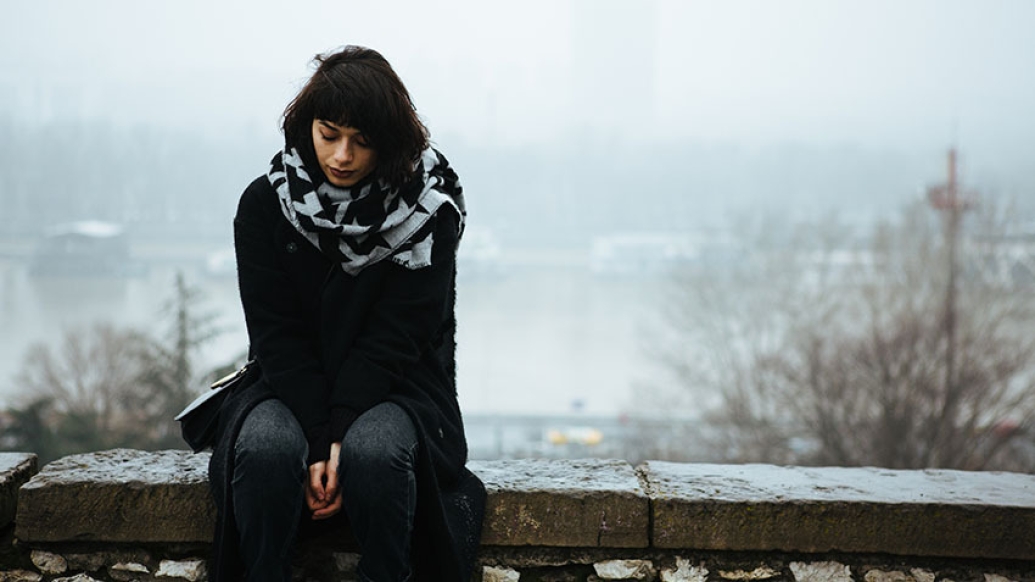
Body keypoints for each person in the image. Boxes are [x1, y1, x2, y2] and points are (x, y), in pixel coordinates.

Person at [208, 45, 485, 582]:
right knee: (265, 450)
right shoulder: (265, 205)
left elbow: (397, 338)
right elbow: (276, 334)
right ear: (305, 126)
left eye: (362, 141)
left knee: (375, 454)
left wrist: (337, 439)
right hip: (285, 382)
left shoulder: (429, 215)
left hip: (400, 386)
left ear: (391, 142)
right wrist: (318, 437)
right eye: (329, 133)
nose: (341, 156)